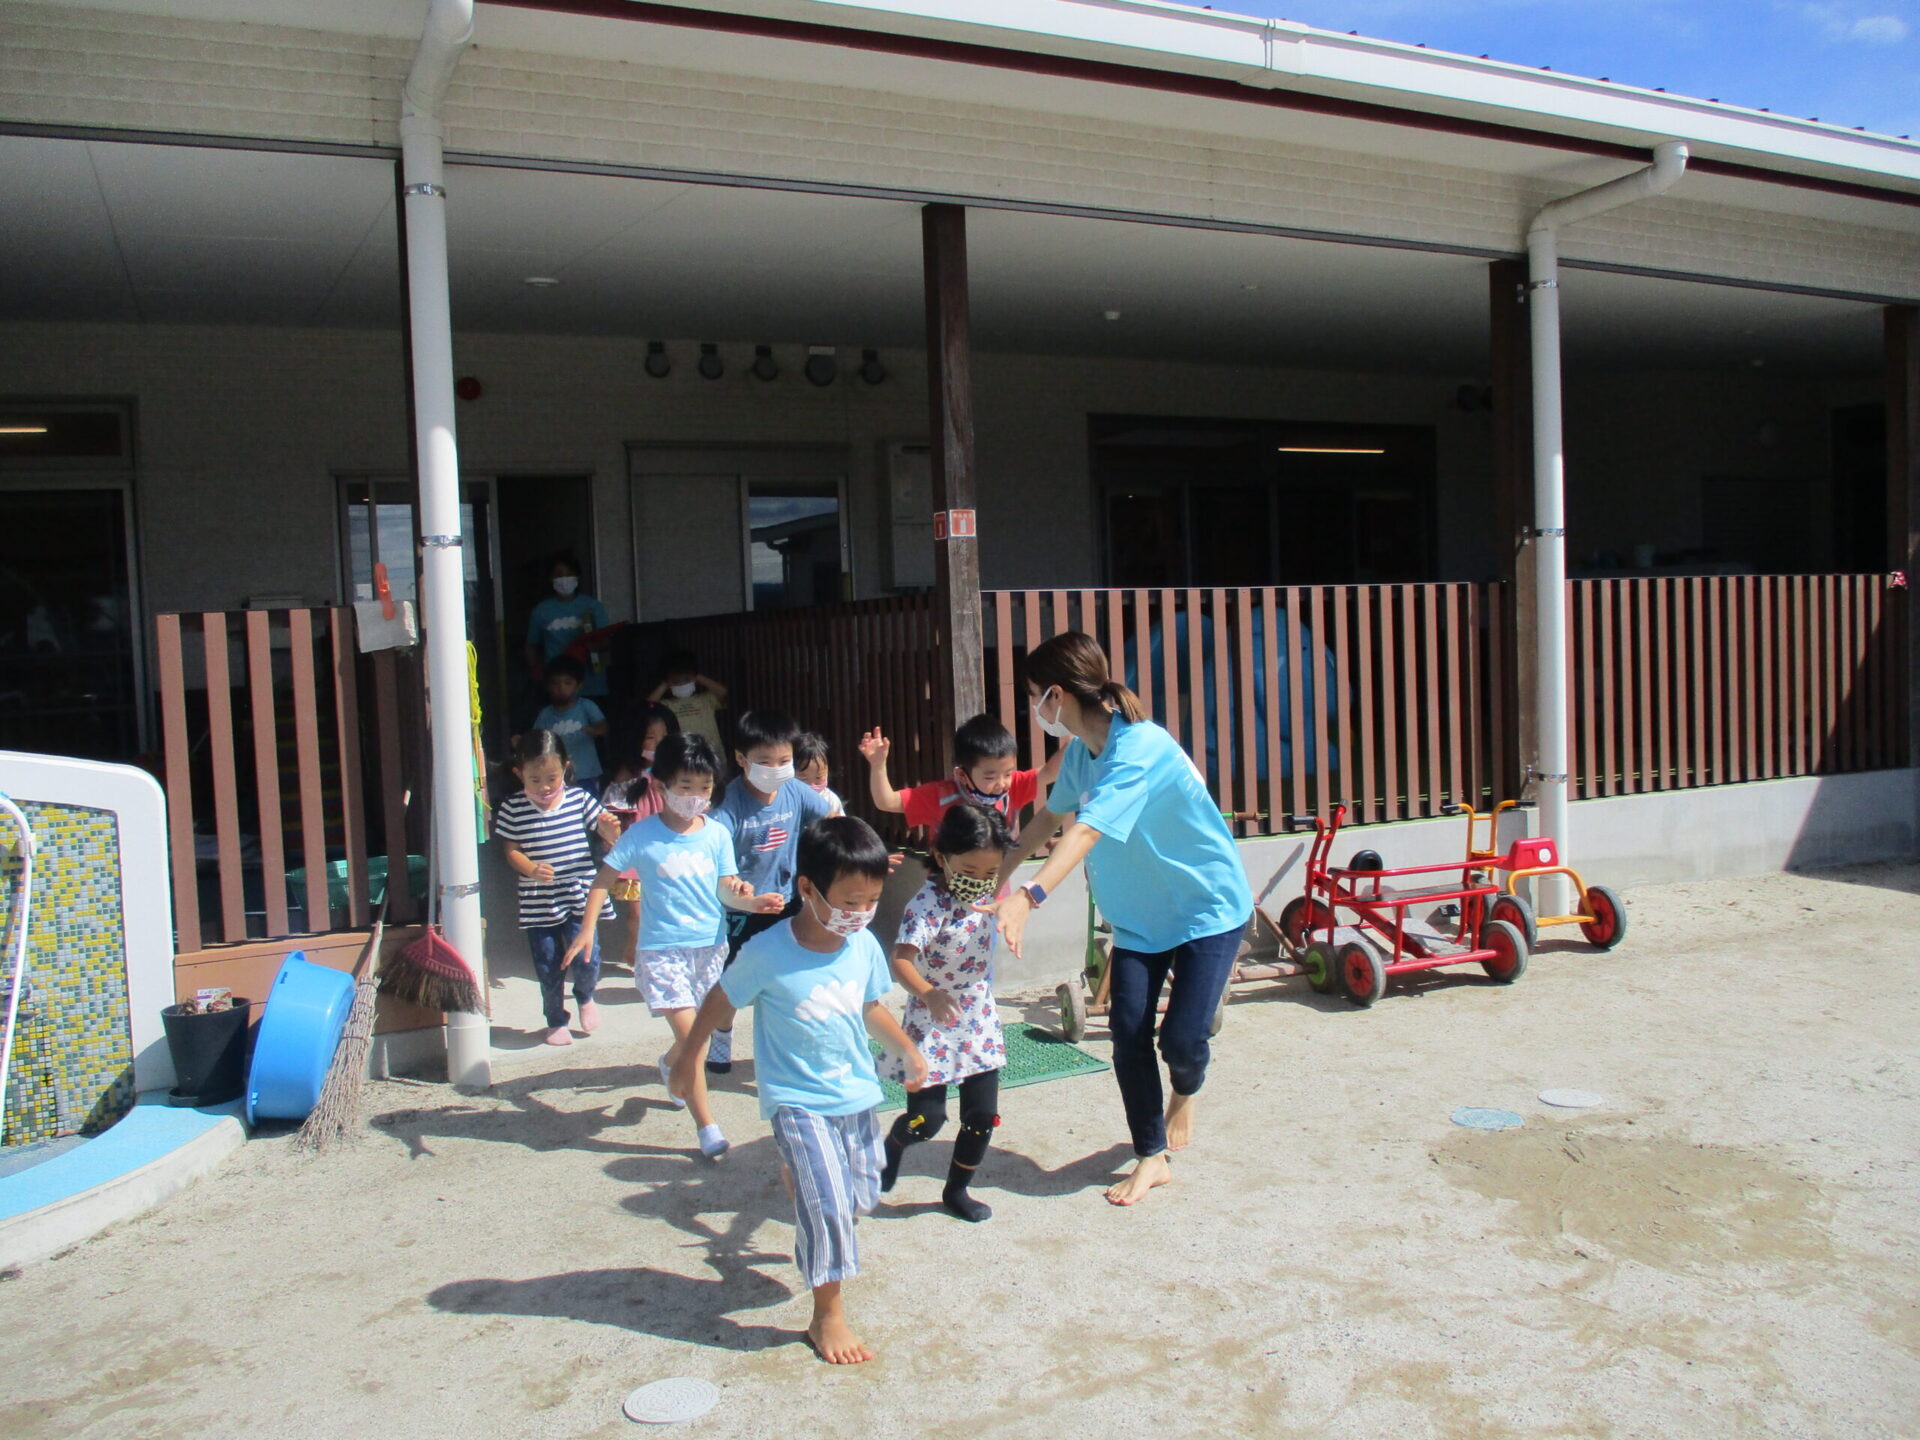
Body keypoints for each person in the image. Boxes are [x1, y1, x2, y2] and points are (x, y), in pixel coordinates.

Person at [983, 631, 1253, 1208]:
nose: (1036, 710)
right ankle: (1150, 1155)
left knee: (1181, 1039)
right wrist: (996, 875)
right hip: (1139, 919)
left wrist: (1028, 897)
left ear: (1056, 695)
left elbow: (1086, 830)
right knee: (1128, 1033)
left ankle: (1188, 1085)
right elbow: (1047, 821)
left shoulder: (1140, 749)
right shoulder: (1083, 753)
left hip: (1206, 909)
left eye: (1036, 696)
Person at [670, 816, 928, 1365]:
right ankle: (826, 1313)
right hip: (796, 1100)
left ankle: (801, 1177)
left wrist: (907, 1048)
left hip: (855, 1095)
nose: (860, 913)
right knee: (830, 1205)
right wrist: (688, 1055)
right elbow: (720, 1000)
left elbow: (870, 1006)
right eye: (849, 900)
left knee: (862, 1196)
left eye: (872, 900)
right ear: (806, 888)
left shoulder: (862, 947)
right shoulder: (767, 952)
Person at [566, 733, 784, 1158]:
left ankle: (670, 1066)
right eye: (685, 786)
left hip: (710, 951)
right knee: (696, 1042)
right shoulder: (642, 836)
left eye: (704, 788)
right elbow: (603, 881)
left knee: (688, 1043)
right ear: (660, 784)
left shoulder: (718, 834)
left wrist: (752, 900)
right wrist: (588, 928)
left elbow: (727, 889)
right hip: (661, 952)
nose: (695, 797)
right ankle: (708, 1128)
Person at [879, 800, 1016, 1223]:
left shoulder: (990, 893)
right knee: (927, 1118)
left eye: (990, 873)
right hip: (932, 1017)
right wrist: (929, 993)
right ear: (942, 858)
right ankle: (895, 1146)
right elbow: (900, 960)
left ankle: (957, 1191)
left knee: (981, 1116)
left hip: (977, 1016)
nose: (981, 882)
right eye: (970, 872)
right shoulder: (927, 905)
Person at [706, 709, 841, 1073]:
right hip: (742, 910)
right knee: (734, 981)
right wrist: (739, 890)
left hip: (787, 903)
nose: (776, 768)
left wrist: (855, 855)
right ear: (740, 759)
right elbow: (716, 862)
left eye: (784, 761)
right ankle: (721, 1034)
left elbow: (832, 823)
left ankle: (786, 1046)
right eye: (764, 761)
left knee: (790, 978)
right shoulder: (728, 805)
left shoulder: (796, 791)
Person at [492, 729, 622, 1046]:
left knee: (588, 958)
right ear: (518, 774)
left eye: (551, 777)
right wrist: (531, 869)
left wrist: (610, 830)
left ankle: (585, 995)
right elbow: (510, 850)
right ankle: (555, 1019)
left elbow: (608, 834)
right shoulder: (513, 808)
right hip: (539, 900)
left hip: (579, 893)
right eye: (534, 780)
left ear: (565, 767)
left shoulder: (578, 799)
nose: (545, 787)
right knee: (549, 963)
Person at [859, 712, 1061, 833]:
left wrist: (1080, 736)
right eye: (990, 777)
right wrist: (878, 765)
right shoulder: (941, 796)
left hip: (995, 891)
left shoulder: (1014, 787)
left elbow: (1050, 770)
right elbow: (886, 802)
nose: (1002, 783)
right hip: (945, 895)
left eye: (1008, 773)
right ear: (963, 775)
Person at [599, 703, 677, 971]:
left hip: (668, 851)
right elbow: (613, 815)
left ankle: (654, 957)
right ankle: (634, 942)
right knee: (637, 914)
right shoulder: (628, 777)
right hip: (637, 853)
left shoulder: (679, 774)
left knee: (666, 910)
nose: (658, 744)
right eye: (650, 737)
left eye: (664, 737)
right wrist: (611, 840)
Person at [524, 555, 611, 699]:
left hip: (592, 684)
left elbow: (607, 641)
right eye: (558, 574)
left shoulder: (593, 606)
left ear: (577, 577)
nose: (564, 578)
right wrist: (539, 677)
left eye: (569, 574)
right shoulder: (541, 610)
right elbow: (531, 647)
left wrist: (592, 645)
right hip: (557, 687)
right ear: (550, 579)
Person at [532, 654, 608, 788]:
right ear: (548, 686)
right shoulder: (545, 714)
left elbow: (604, 727)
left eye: (568, 683)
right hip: (556, 776)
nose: (561, 688)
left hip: (587, 773)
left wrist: (596, 730)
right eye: (555, 683)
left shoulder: (586, 706)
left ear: (579, 686)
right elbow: (535, 738)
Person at [648, 648, 727, 754]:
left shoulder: (706, 699)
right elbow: (647, 706)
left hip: (711, 754)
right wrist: (665, 684)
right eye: (675, 681)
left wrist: (698, 676)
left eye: (686, 680)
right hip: (682, 757)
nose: (681, 684)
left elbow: (723, 692)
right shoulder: (665, 705)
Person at [794, 731, 842, 812]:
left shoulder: (831, 800)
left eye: (818, 777)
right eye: (803, 779)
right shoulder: (787, 801)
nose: (812, 785)